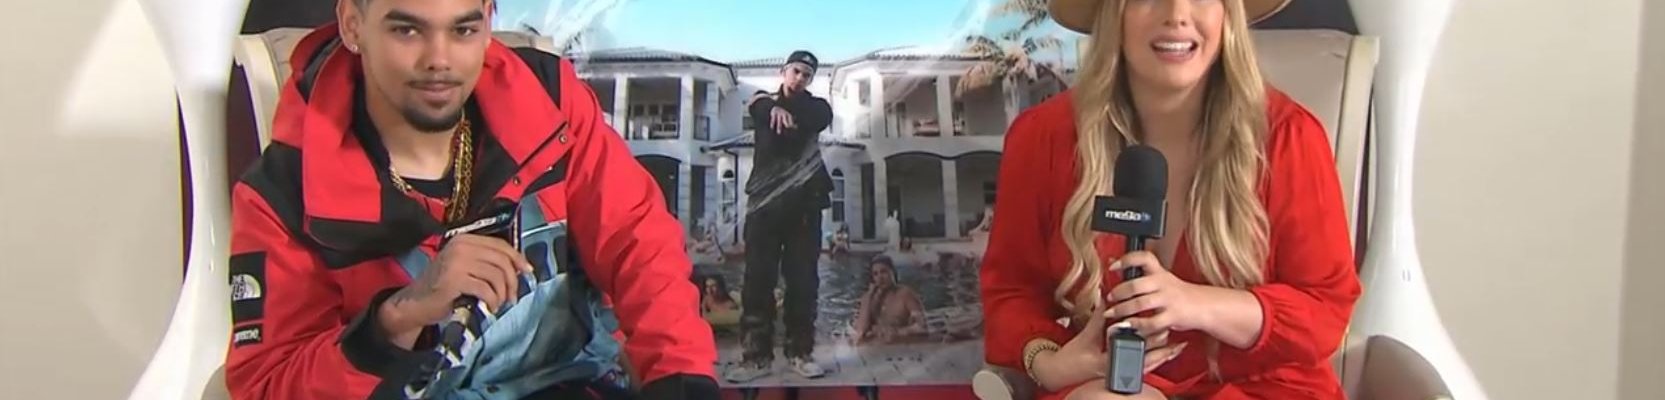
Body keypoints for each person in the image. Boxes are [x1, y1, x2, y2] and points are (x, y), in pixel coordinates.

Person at [223, 1, 718, 399]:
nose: (439, 61)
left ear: (487, 20)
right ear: (352, 23)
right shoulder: (281, 193)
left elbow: (638, 244)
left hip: (577, 381)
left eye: (463, 30)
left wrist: (680, 375)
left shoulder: (550, 100)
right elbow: (267, 384)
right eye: (407, 30)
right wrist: (396, 319)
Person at [978, 0, 1361, 399]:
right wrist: (1048, 362)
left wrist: (1196, 304)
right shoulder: (1041, 138)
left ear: (1227, 14)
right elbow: (1011, 292)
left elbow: (1325, 311)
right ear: (1113, 16)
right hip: (1105, 385)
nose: (1177, 14)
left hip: (1261, 389)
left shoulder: (1290, 138)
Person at [729, 50, 834, 383]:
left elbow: (816, 118)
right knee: (757, 282)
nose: (800, 78)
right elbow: (756, 105)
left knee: (802, 281)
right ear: (783, 71)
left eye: (807, 75)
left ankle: (799, 352)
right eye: (796, 71)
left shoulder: (818, 108)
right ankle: (755, 358)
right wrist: (768, 105)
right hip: (764, 206)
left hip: (804, 206)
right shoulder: (763, 105)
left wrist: (773, 106)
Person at [851, 256, 927, 345]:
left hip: (900, 344)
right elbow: (860, 331)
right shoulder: (868, 298)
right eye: (875, 274)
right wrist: (869, 296)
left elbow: (921, 326)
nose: (880, 277)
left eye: (883, 272)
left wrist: (897, 332)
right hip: (877, 345)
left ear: (893, 272)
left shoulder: (906, 295)